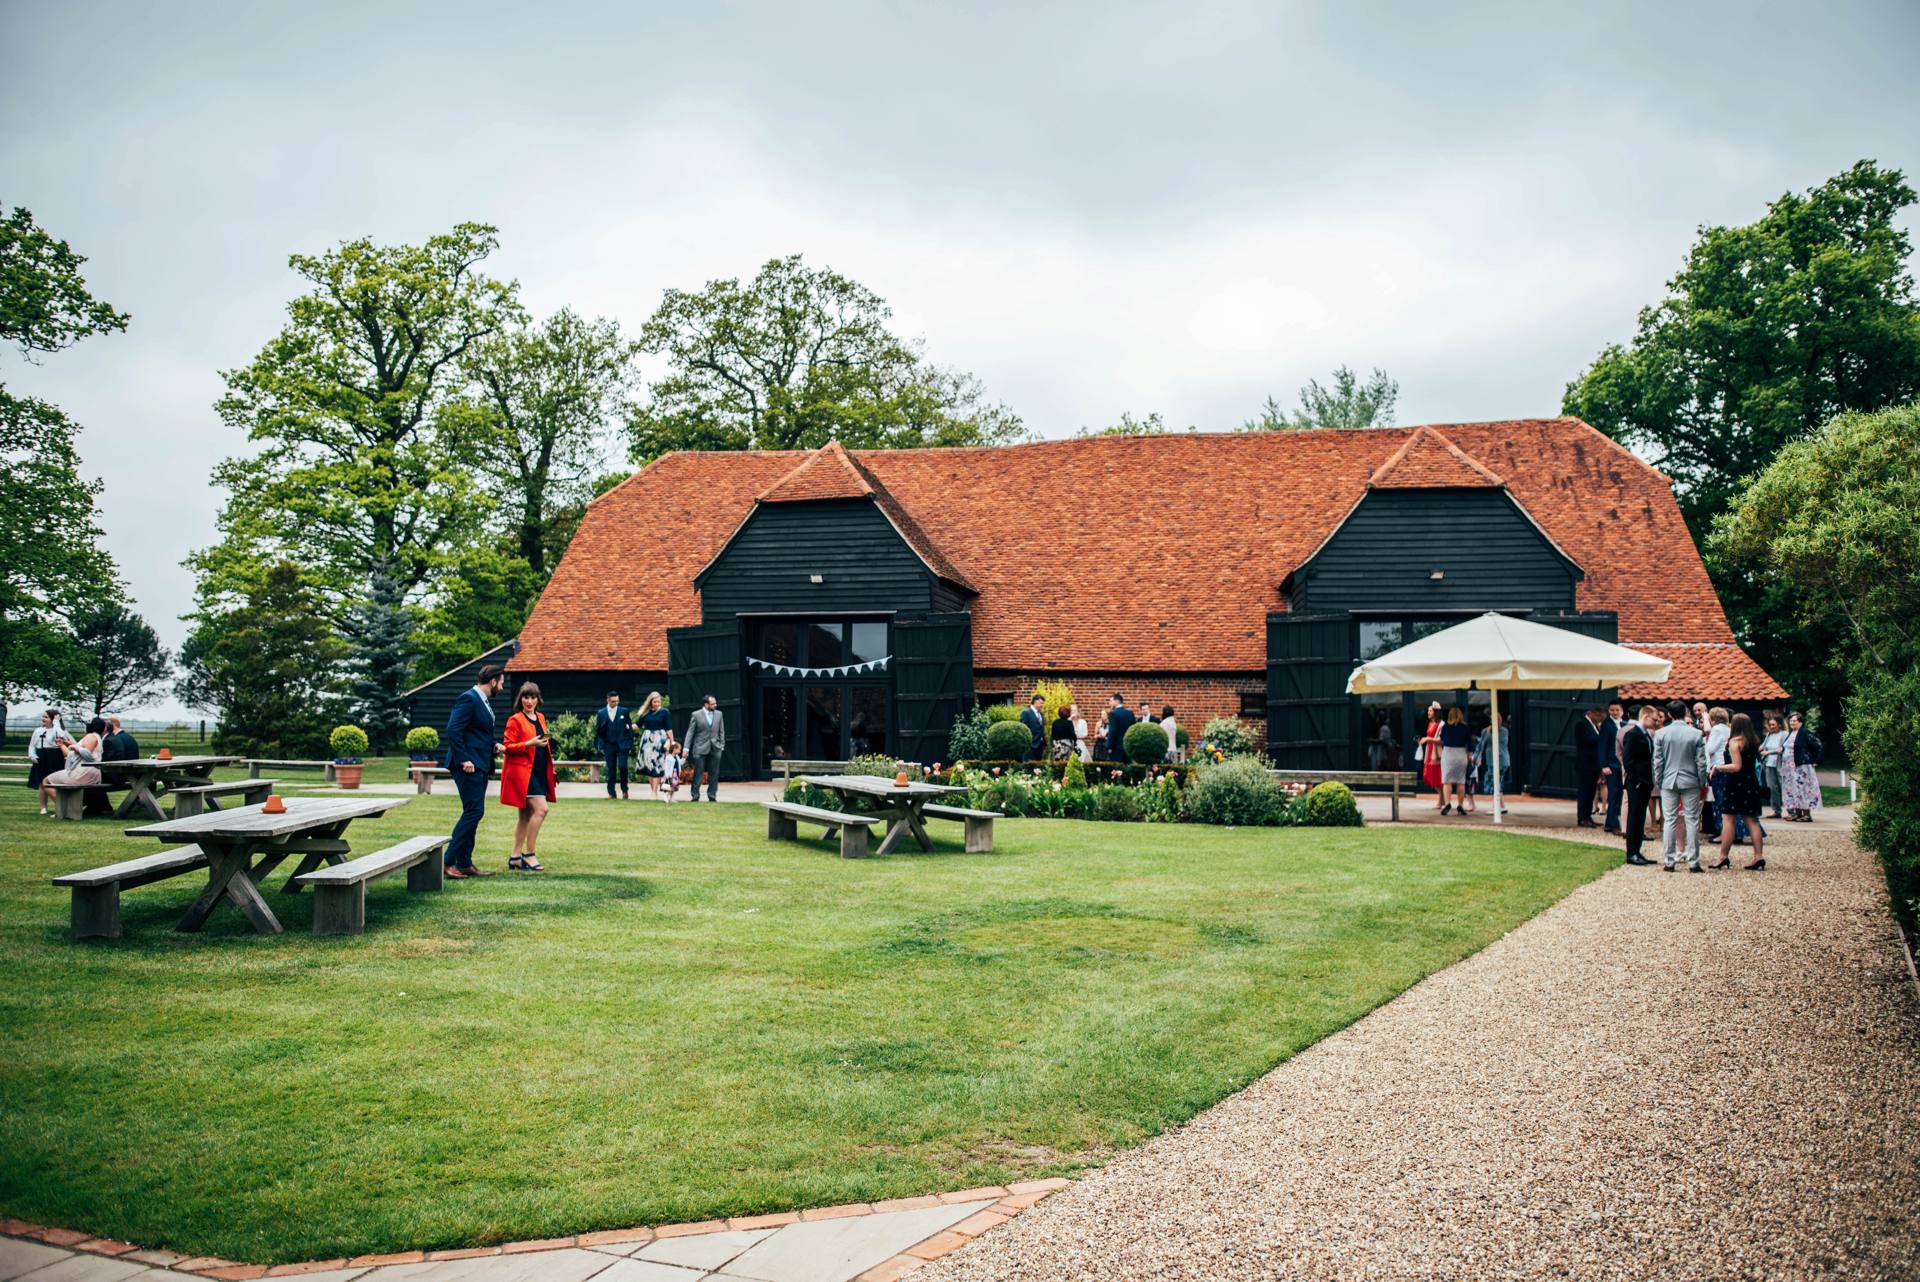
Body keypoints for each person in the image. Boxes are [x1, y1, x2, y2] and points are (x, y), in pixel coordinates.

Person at [443, 663, 506, 879]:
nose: (503, 687)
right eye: (502, 683)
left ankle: (464, 863)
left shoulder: (482, 700)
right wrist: (464, 759)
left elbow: (475, 733)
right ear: (493, 681)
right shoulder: (468, 698)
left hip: (479, 763)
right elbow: (453, 729)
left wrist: (492, 745)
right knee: (474, 811)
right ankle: (447, 862)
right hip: (468, 766)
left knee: (473, 812)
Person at [500, 681, 557, 872]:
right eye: (526, 697)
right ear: (520, 699)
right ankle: (529, 854)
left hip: (539, 771)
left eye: (533, 697)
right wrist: (529, 743)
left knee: (525, 815)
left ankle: (515, 857)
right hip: (523, 773)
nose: (529, 701)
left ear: (538, 699)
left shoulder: (540, 717)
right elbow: (507, 747)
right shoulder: (515, 720)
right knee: (541, 810)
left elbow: (543, 743)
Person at [1654, 698, 1709, 872]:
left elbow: (1658, 761)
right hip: (1691, 780)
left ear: (1669, 714)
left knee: (1669, 820)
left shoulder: (1661, 733)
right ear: (1685, 712)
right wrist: (1701, 780)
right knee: (1692, 820)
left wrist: (1659, 780)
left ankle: (1669, 861)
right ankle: (1694, 862)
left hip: (1668, 780)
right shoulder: (1695, 733)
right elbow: (1701, 762)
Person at [1710, 712, 1769, 871]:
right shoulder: (1753, 741)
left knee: (1728, 819)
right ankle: (1758, 856)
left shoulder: (1735, 742)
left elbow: (1736, 766)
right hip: (1751, 783)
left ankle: (1722, 857)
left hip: (1736, 784)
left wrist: (1718, 767)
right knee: (1752, 820)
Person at [39, 717, 106, 817]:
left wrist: (76, 747)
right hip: (90, 773)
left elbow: (88, 755)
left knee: (46, 781)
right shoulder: (96, 737)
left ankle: (64, 809)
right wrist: (62, 745)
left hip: (83, 772)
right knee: (52, 781)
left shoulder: (91, 736)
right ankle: (66, 808)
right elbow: (71, 755)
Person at [1620, 703, 1658, 865]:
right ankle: (1631, 852)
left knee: (1640, 816)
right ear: (1646, 716)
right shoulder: (1633, 734)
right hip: (1637, 782)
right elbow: (1628, 760)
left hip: (1645, 781)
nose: (1656, 723)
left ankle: (1637, 849)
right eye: (1654, 720)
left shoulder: (1646, 735)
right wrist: (1636, 781)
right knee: (1634, 817)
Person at [1573, 706, 1613, 829]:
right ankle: (1582, 817)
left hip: (1593, 764)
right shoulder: (1581, 724)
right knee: (1584, 792)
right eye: (1599, 717)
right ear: (1592, 714)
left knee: (1591, 792)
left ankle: (1588, 816)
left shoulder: (1594, 726)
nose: (1600, 720)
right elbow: (1588, 741)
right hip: (1585, 764)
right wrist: (1602, 736)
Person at [1780, 710, 1823, 821]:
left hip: (1801, 766)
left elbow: (1818, 745)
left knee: (1803, 789)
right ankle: (1797, 813)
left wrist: (1816, 760)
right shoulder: (1791, 733)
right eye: (1790, 721)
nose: (1792, 723)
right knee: (1793, 789)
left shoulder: (1804, 732)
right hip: (1789, 767)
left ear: (1800, 722)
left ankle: (1807, 815)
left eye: (1794, 721)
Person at [683, 694, 725, 802]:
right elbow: (690, 732)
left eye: (715, 703)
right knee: (698, 772)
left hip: (716, 747)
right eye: (712, 704)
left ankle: (712, 795)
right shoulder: (696, 715)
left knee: (714, 773)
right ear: (706, 704)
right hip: (700, 747)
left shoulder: (719, 714)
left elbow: (721, 731)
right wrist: (686, 748)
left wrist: (722, 745)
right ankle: (695, 795)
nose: (715, 705)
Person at [594, 691, 634, 800]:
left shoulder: (624, 711)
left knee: (623, 767)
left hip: (622, 744)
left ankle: (625, 790)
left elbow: (629, 728)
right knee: (611, 769)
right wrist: (600, 742)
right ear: (607, 700)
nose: (615, 703)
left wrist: (629, 742)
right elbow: (598, 730)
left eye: (617, 701)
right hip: (608, 744)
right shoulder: (601, 713)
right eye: (613, 701)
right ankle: (611, 793)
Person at [635, 692, 674, 799]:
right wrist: (626, 725)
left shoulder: (665, 712)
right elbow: (637, 726)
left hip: (659, 741)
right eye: (655, 702)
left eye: (658, 701)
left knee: (656, 765)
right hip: (647, 741)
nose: (657, 703)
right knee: (649, 765)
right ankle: (653, 790)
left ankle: (654, 792)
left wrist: (672, 742)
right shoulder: (646, 713)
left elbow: (669, 729)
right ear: (650, 702)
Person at [1473, 713, 1510, 815]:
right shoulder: (1485, 731)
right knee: (1497, 783)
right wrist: (1475, 757)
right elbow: (1481, 745)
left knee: (1495, 783)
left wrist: (1490, 732)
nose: (1497, 721)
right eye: (1494, 719)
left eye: (1498, 720)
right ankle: (1502, 806)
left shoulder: (1504, 731)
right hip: (1491, 760)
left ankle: (1496, 807)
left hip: (1501, 761)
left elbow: (1499, 741)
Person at [1437, 706, 1472, 815]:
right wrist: (1470, 755)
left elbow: (1442, 740)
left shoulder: (1446, 727)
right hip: (1461, 754)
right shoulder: (1465, 728)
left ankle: (1447, 803)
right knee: (1461, 781)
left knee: (1447, 781)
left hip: (1448, 754)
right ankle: (1460, 805)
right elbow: (1470, 744)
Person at [1602, 699, 1627, 832]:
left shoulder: (1624, 724)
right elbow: (1602, 746)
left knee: (1619, 795)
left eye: (1617, 710)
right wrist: (1604, 765)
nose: (1615, 712)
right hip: (1611, 765)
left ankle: (1609, 822)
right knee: (1613, 794)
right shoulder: (1607, 725)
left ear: (1622, 711)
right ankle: (1613, 823)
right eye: (1612, 710)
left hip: (1621, 765)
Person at [27, 711, 65, 795]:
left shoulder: (58, 729)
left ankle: (60, 804)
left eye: (46, 717)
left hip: (54, 757)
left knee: (55, 782)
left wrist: (56, 723)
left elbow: (60, 736)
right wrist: (32, 755)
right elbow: (32, 745)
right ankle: (43, 807)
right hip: (41, 757)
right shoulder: (38, 730)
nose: (43, 719)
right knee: (41, 783)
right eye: (43, 717)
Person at [1760, 714, 1788, 819]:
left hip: (1780, 764)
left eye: (1773, 724)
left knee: (1783, 786)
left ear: (1780, 725)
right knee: (1772, 788)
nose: (1771, 727)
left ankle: (1791, 810)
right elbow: (1762, 746)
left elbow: (1782, 748)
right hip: (1769, 764)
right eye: (1770, 725)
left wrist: (1768, 752)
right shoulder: (1769, 735)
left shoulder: (1784, 734)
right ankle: (1776, 810)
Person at [1418, 701, 1443, 809]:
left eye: (1430, 711)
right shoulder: (1430, 723)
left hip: (1436, 753)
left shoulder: (1441, 724)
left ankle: (1441, 800)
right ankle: (1442, 799)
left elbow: (1441, 740)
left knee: (1437, 777)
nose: (1428, 712)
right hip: (1430, 752)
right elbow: (1429, 737)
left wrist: (1428, 739)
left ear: (1435, 712)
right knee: (1428, 776)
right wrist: (1423, 740)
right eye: (1428, 711)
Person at [1104, 694, 1135, 762]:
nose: (1110, 703)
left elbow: (1112, 731)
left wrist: (1109, 746)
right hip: (1128, 746)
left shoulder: (1113, 714)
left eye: (1111, 701)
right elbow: (1133, 730)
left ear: (1116, 701)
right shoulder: (1130, 713)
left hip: (1116, 746)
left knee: (1117, 769)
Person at [1020, 694, 1047, 762]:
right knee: (1029, 767)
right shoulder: (1026, 713)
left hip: (1040, 745)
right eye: (1041, 703)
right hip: (1030, 746)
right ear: (1035, 701)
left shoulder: (1041, 714)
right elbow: (1023, 729)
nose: (1042, 705)